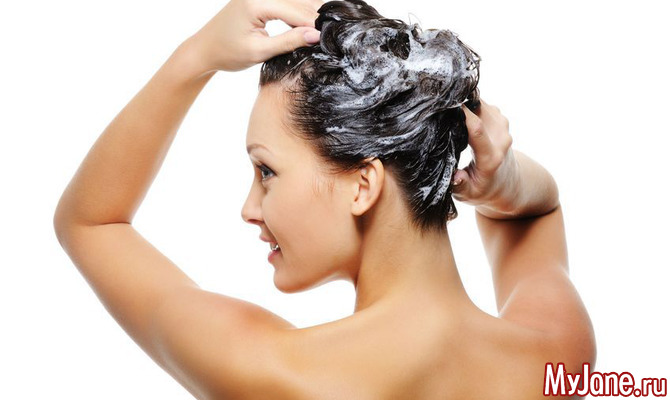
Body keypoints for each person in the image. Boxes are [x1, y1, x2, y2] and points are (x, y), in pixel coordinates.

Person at [53, 0, 596, 398]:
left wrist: (195, 56)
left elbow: (91, 223)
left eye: (266, 171)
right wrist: (503, 182)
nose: (249, 208)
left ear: (364, 185)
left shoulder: (279, 374)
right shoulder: (557, 357)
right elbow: (538, 211)